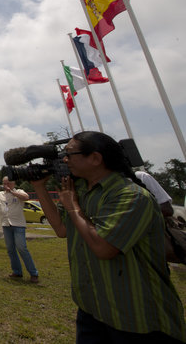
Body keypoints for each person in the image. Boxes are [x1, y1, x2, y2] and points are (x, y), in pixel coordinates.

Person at [32, 131, 186, 342]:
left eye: (69, 154)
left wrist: (73, 207)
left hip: (136, 317)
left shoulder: (130, 195)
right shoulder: (80, 191)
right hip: (93, 307)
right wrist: (39, 188)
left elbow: (104, 248)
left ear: (95, 158)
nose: (64, 160)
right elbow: (61, 229)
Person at [0, 175, 39, 282]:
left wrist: (12, 192)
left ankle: (33, 273)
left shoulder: (19, 191)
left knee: (22, 248)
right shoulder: (1, 194)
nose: (6, 185)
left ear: (13, 183)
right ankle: (17, 271)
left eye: (8, 183)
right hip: (6, 225)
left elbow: (26, 198)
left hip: (18, 225)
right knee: (10, 250)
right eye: (4, 183)